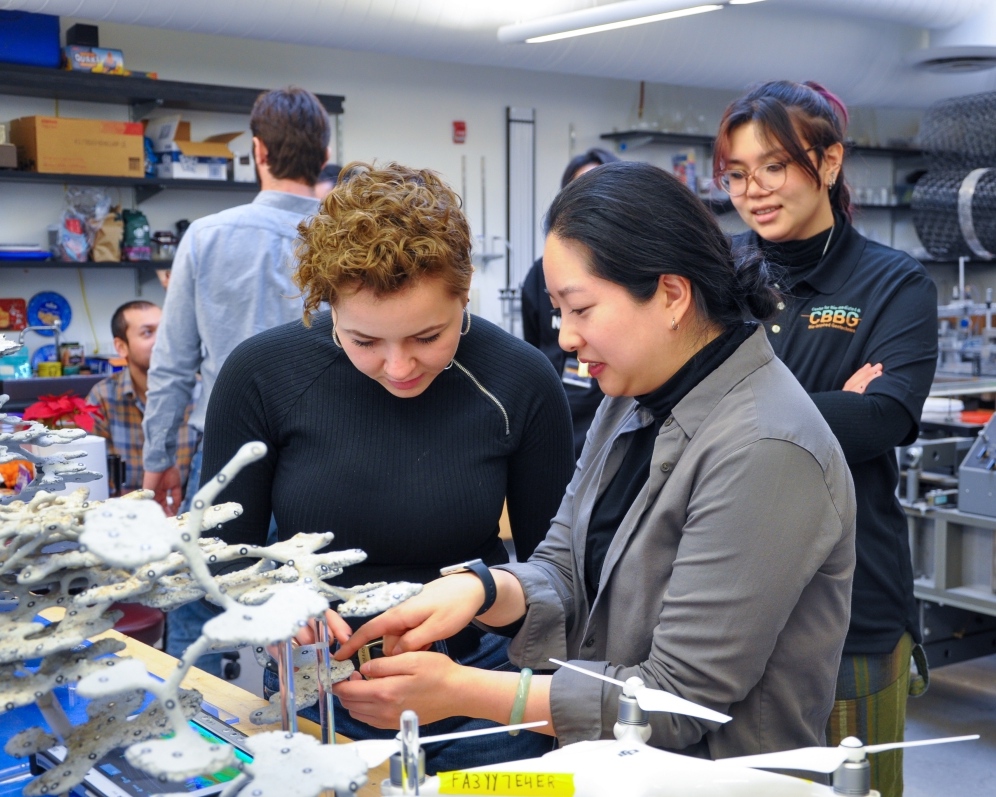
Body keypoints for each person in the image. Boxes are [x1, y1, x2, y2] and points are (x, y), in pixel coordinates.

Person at [333, 161, 857, 760]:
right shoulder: (633, 394)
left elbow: (676, 699)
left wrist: (464, 691)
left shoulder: (765, 449)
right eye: (558, 312)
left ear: (670, 295)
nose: (566, 338)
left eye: (580, 310)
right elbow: (562, 564)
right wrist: (480, 590)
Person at [203, 162, 574, 770]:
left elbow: (556, 574)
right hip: (321, 689)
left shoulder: (521, 381)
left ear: (465, 290)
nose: (399, 368)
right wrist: (270, 604)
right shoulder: (262, 374)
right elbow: (222, 550)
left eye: (428, 336)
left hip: (481, 693)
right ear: (328, 305)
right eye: (364, 342)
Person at [716, 80, 939, 797]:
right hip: (720, 598)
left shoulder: (893, 284)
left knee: (857, 788)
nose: (755, 190)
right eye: (739, 174)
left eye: (775, 166)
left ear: (830, 163)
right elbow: (670, 409)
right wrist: (829, 402)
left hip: (850, 607)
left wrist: (726, 407)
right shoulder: (716, 282)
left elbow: (880, 420)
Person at [144, 86, 330, 676]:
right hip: (330, 452)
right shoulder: (346, 238)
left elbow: (171, 363)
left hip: (227, 455)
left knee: (206, 601)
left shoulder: (206, 236)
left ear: (257, 150)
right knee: (318, 604)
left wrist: (158, 459)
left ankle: (196, 736)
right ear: (323, 153)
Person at [520, 147, 618, 456]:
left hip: (610, 416)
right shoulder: (540, 275)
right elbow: (536, 349)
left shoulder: (628, 275)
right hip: (560, 419)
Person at [87, 301, 196, 494]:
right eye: (148, 332)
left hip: (184, 514)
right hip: (120, 517)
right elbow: (91, 476)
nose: (162, 340)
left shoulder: (199, 393)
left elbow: (204, 476)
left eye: (165, 330)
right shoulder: (102, 397)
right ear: (121, 347)